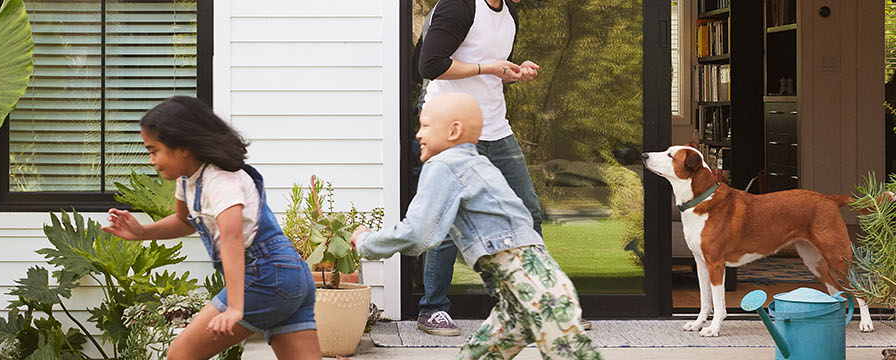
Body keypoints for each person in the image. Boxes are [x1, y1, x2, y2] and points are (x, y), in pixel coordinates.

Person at [353, 93, 600, 360]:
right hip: (526, 289)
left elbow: (417, 234)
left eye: (425, 126)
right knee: (480, 355)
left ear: (454, 130)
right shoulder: (481, 166)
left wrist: (368, 241)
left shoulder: (443, 165)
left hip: (536, 288)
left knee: (573, 355)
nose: (418, 135)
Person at [409, 0, 556, 336]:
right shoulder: (460, 3)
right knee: (446, 215)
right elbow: (431, 64)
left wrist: (511, 72)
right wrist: (489, 68)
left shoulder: (508, 13)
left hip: (494, 124)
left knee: (526, 211)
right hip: (449, 125)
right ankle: (432, 308)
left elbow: (487, 69)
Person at [103, 96, 320, 360]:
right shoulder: (189, 180)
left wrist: (235, 308)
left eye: (154, 150)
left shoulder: (220, 180)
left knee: (180, 355)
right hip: (290, 275)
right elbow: (184, 221)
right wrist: (141, 233)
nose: (151, 159)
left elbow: (232, 237)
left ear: (183, 146)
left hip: (265, 275)